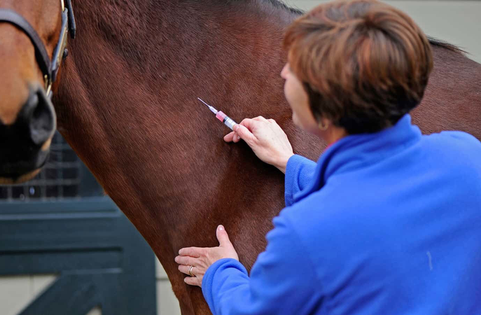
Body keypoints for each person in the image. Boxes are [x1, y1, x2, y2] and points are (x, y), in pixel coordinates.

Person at [174, 0, 481, 314]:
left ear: (320, 102)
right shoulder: (466, 157)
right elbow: (381, 196)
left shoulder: (305, 233)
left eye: (293, 67)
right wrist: (289, 162)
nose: (282, 73)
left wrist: (221, 272)